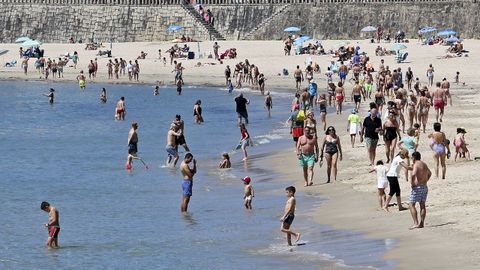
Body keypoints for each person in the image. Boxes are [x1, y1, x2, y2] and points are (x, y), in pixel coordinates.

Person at [409, 151, 432, 229]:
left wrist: (412, 183)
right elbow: (430, 173)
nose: (411, 159)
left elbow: (413, 174)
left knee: (411, 204)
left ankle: (416, 223)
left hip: (417, 187)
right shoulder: (424, 164)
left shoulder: (416, 164)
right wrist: (426, 180)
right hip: (424, 186)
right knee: (422, 205)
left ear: (414, 157)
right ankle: (422, 223)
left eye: (412, 157)